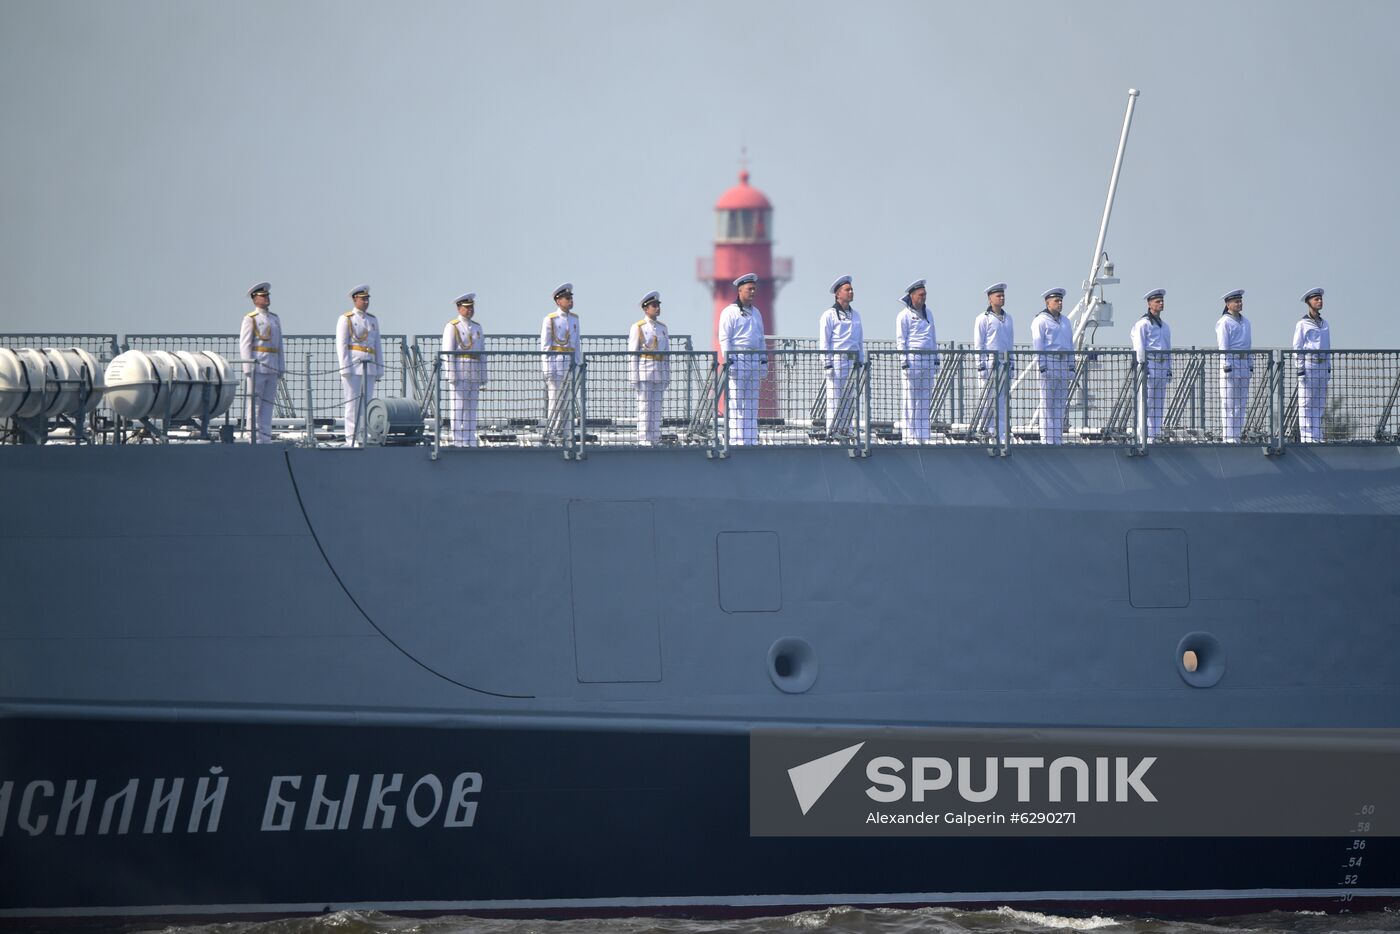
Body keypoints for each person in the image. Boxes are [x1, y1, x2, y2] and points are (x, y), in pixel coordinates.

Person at [717, 272, 768, 446]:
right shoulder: (729, 312)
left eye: (754, 288)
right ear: (740, 290)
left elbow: (761, 339)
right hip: (738, 358)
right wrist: (728, 361)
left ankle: (750, 439)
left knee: (752, 402)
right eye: (749, 289)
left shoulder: (756, 313)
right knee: (737, 401)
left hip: (754, 358)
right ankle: (737, 439)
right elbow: (725, 338)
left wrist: (763, 361)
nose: (753, 291)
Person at [818, 275, 866, 438]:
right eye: (847, 289)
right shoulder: (829, 315)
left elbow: (859, 340)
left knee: (849, 398)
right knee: (835, 397)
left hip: (852, 361)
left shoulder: (856, 315)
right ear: (838, 294)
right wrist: (827, 364)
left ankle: (846, 429)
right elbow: (825, 341)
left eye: (851, 289)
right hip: (837, 361)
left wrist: (861, 359)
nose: (851, 292)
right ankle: (832, 430)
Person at [336, 285, 381, 446]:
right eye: (363, 299)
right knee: (352, 403)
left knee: (366, 404)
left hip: (369, 366)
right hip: (353, 366)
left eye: (367, 299)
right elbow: (341, 345)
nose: (366, 302)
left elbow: (377, 346)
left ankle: (363, 435)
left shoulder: (372, 319)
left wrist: (379, 368)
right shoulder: (346, 319)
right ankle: (351, 437)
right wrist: (345, 369)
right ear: (355, 299)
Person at [238, 281, 283, 443]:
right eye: (262, 296)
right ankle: (253, 437)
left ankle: (265, 436)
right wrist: (248, 368)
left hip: (272, 365)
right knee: (254, 405)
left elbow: (279, 345)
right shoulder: (251, 319)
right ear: (254, 299)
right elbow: (245, 344)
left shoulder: (274, 318)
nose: (266, 298)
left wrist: (281, 367)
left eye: (267, 295)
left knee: (268, 404)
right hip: (257, 366)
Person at [895, 278, 938, 443]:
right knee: (910, 399)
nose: (923, 297)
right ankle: (910, 435)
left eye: (925, 294)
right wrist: (904, 362)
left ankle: (923, 435)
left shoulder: (929, 314)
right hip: (913, 358)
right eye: (920, 294)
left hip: (928, 358)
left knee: (925, 399)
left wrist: (936, 359)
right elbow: (901, 340)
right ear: (912, 295)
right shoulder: (904, 316)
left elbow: (933, 337)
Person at [442, 292, 487, 447]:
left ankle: (469, 437)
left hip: (474, 370)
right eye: (466, 307)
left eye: (471, 307)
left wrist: (483, 374)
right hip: (460, 370)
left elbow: (482, 353)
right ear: (459, 308)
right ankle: (458, 439)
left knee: (472, 407)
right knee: (458, 406)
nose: (469, 310)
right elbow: (448, 352)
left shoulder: (477, 327)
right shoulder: (452, 326)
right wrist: (451, 374)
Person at [1031, 287, 1074, 445]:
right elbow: (1038, 343)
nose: (1060, 303)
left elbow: (1070, 344)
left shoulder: (1066, 321)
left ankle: (1057, 438)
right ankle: (1047, 440)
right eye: (1057, 300)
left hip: (1063, 363)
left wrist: (1071, 365)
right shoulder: (1040, 320)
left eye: (1061, 300)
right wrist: (1042, 366)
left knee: (1060, 403)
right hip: (1049, 362)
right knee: (1047, 404)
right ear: (1048, 303)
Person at [972, 282, 1014, 442]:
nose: (1002, 298)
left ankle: (1000, 433)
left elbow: (1010, 343)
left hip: (1004, 362)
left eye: (1003, 295)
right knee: (988, 400)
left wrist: (1012, 364)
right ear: (990, 299)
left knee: (1002, 401)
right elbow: (979, 344)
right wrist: (981, 366)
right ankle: (987, 431)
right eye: (998, 296)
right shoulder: (983, 319)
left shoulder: (1008, 318)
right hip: (990, 363)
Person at [1130, 288, 1172, 442]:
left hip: (1161, 365)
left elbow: (1168, 348)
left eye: (1162, 301)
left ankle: (1155, 434)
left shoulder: (1164, 326)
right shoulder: (1143, 324)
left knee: (1159, 402)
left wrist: (1168, 368)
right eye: (1157, 301)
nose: (1161, 304)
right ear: (1149, 304)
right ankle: (1145, 437)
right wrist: (1142, 366)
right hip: (1150, 364)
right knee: (1146, 402)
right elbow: (1139, 346)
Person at [629, 290, 670, 445]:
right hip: (644, 371)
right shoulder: (638, 327)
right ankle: (644, 438)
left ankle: (655, 436)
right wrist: (634, 376)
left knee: (657, 407)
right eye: (654, 306)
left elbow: (666, 353)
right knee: (644, 406)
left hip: (659, 370)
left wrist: (667, 374)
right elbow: (633, 353)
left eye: (658, 305)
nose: (657, 308)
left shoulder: (663, 328)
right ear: (646, 309)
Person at [540, 282, 581, 439]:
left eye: (570, 297)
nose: (570, 300)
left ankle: (566, 434)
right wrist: (547, 369)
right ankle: (552, 434)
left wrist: (577, 365)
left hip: (570, 365)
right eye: (566, 298)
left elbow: (576, 344)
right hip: (556, 365)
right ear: (558, 301)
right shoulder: (550, 319)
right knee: (555, 401)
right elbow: (545, 346)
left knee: (568, 403)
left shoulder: (575, 319)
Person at [1293, 287, 1331, 442]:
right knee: (1307, 402)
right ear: (1309, 302)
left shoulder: (1325, 323)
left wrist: (1328, 367)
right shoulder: (1302, 324)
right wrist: (1300, 368)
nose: (1320, 301)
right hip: (1310, 364)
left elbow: (1327, 345)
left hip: (1322, 366)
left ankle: (1317, 434)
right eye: (1316, 299)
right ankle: (1307, 436)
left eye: (1320, 299)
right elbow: (1297, 347)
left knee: (1319, 402)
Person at [1215, 289, 1252, 442]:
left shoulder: (1246, 321)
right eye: (1236, 301)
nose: (1239, 303)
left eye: (1240, 301)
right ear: (1228, 304)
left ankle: (1236, 435)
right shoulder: (1224, 322)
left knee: (1241, 403)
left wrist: (1250, 364)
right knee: (1229, 403)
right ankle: (1229, 437)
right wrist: (1226, 365)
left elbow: (1248, 344)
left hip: (1243, 362)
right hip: (1231, 362)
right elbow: (1223, 345)